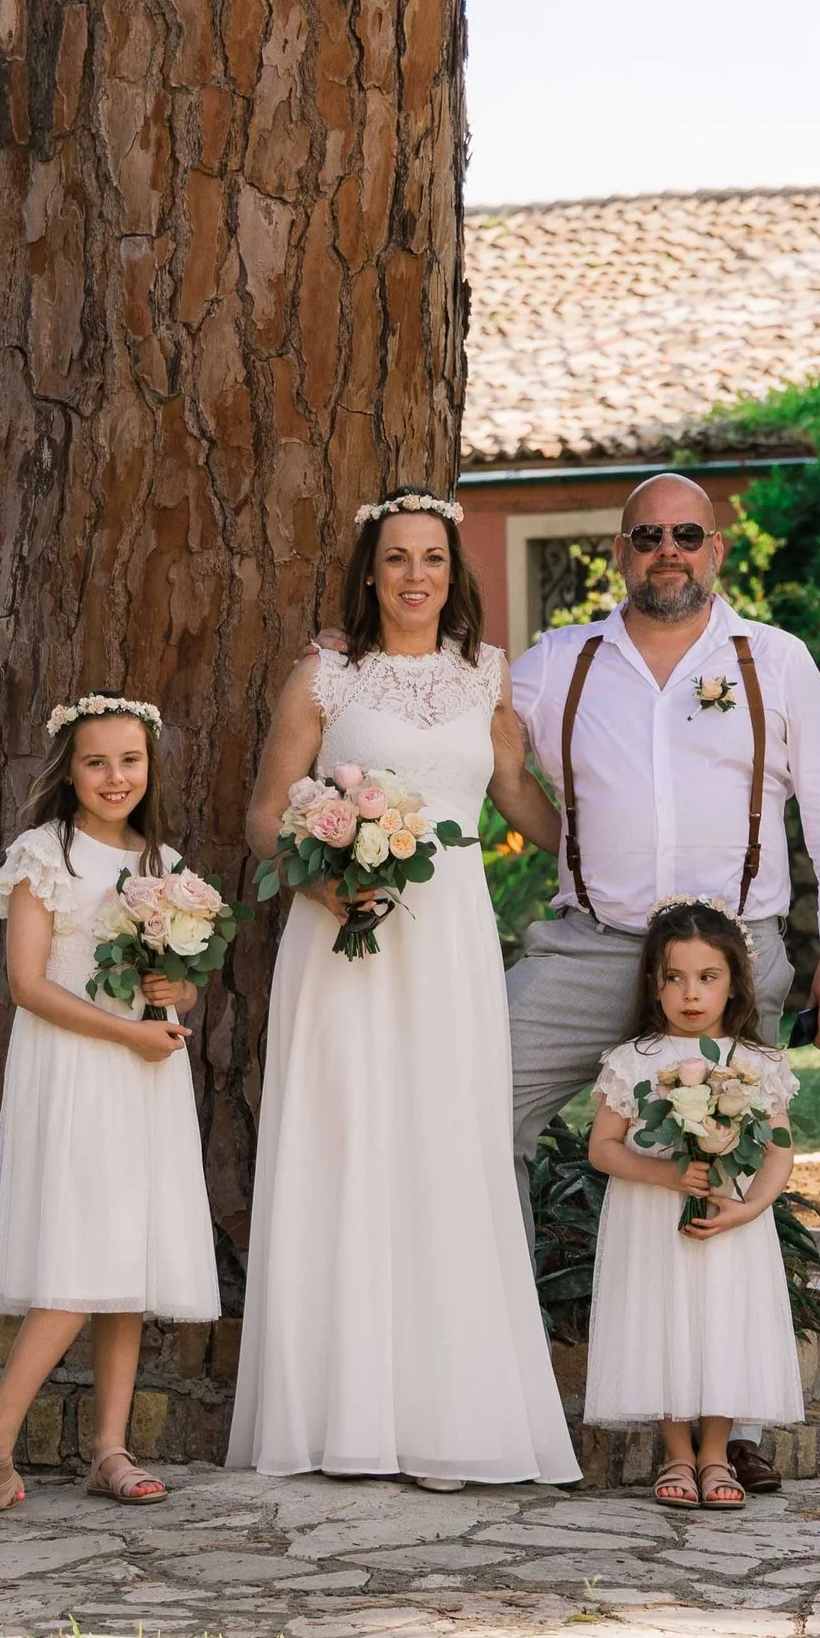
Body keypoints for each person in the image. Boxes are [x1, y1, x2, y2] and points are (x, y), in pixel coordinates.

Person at [509, 468, 820, 1486]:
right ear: (617, 553)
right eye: (646, 536)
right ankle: (489, 1355)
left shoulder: (774, 660)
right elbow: (471, 741)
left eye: (687, 534)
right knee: (475, 1100)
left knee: (735, 1159)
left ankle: (735, 1416)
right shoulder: (556, 663)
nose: (667, 550)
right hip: (589, 943)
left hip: (732, 957)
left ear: (715, 550)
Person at [227, 490, 579, 1489]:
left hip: (451, 932)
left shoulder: (486, 676)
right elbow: (264, 814)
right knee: (346, 1147)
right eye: (396, 559)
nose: (415, 575)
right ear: (370, 573)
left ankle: (446, 1411)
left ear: (452, 575)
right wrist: (324, 878)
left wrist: (596, 863)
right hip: (343, 934)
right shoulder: (324, 677)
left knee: (444, 1147)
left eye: (431, 558)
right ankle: (339, 1414)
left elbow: (512, 793)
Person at [0, 696, 221, 1511]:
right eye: (97, 762)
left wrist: (178, 993)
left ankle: (109, 1446)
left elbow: (176, 984)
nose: (115, 777)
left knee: (125, 1259)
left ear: (150, 767)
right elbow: (27, 985)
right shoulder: (43, 854)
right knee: (84, 1249)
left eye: (129, 761)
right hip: (77, 1066)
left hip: (143, 1074)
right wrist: (122, 1031)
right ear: (69, 767)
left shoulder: (162, 864)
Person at [586, 902, 801, 1510]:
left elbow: (780, 1152)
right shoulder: (633, 1060)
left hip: (729, 1221)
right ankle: (676, 1452)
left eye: (707, 977)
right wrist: (665, 1172)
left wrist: (749, 1208)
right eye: (674, 977)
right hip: (652, 1218)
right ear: (653, 983)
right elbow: (602, 1148)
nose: (690, 993)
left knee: (722, 1323)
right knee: (664, 1321)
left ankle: (716, 1453)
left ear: (733, 983)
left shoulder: (756, 1064)